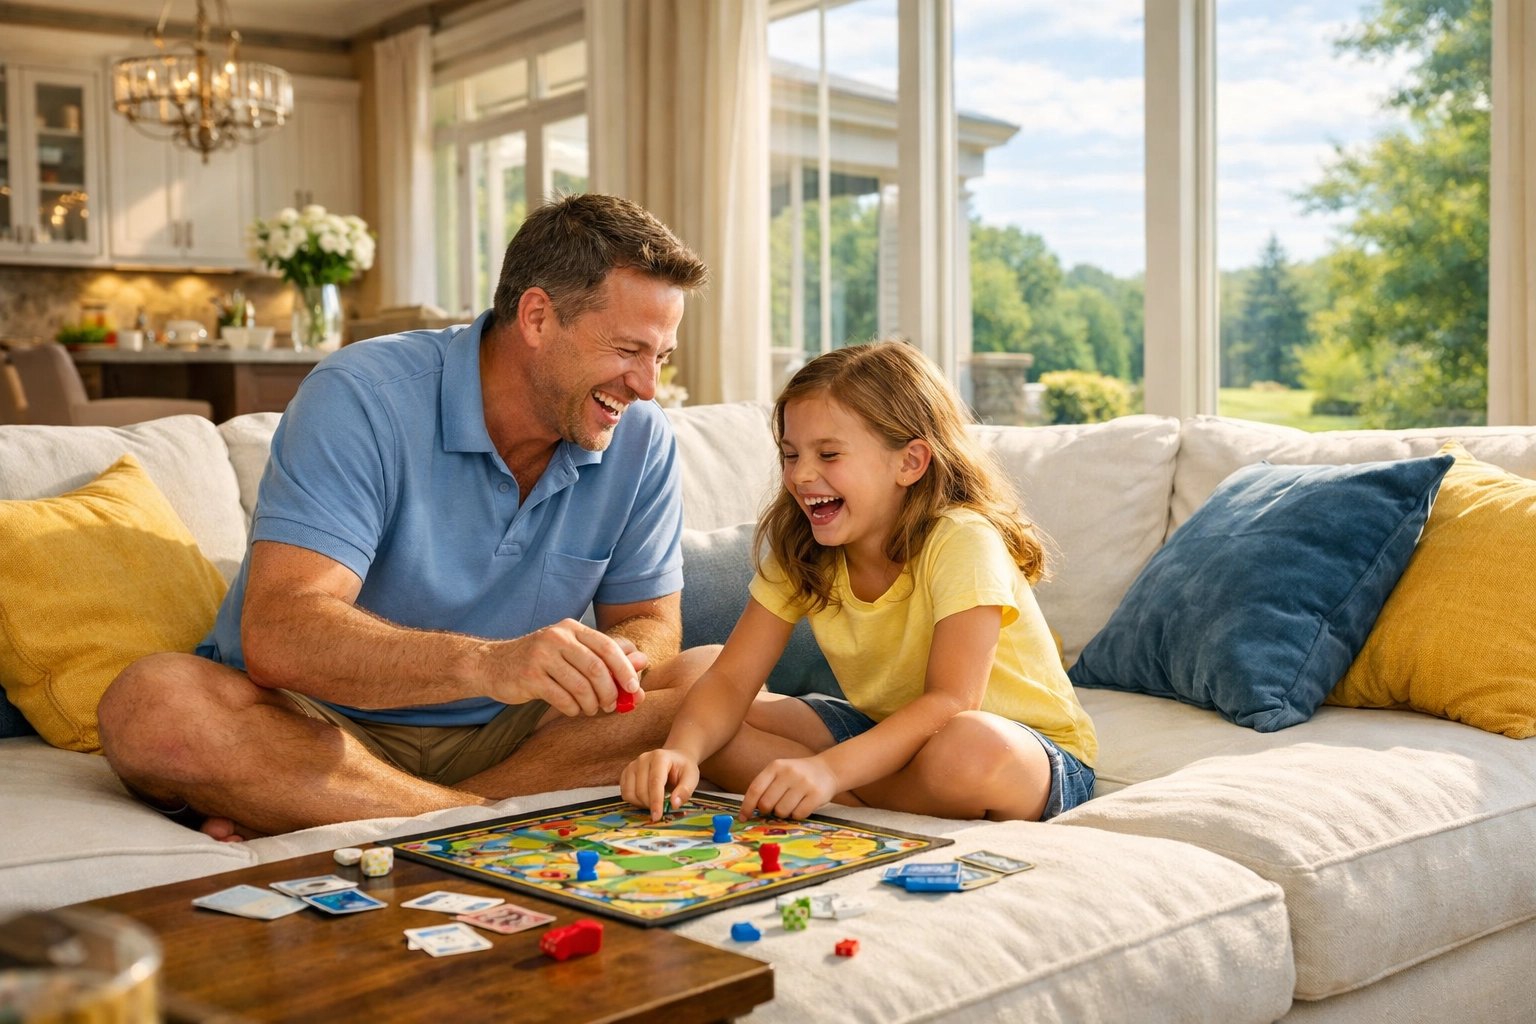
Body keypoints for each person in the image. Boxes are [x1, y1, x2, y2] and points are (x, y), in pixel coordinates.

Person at [98, 193, 716, 841]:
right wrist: (490, 663)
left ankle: (361, 810)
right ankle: (472, 822)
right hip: (313, 723)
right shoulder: (362, 397)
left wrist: (615, 659)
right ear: (537, 316)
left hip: (515, 733)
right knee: (153, 704)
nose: (647, 386)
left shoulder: (640, 436)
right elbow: (281, 633)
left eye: (661, 358)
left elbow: (652, 622)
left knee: (712, 679)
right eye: (628, 350)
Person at [621, 341, 1097, 823]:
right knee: (702, 697)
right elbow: (731, 678)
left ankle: (846, 796)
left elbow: (952, 702)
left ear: (910, 463)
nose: (802, 475)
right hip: (889, 732)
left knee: (971, 746)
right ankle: (871, 792)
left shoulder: (962, 539)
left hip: (1029, 752)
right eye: (790, 454)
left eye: (829, 454)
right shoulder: (802, 546)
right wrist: (682, 751)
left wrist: (829, 771)